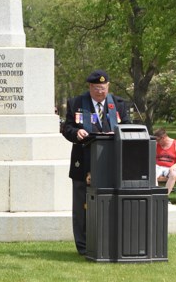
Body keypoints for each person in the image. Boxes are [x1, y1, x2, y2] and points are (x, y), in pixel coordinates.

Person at [60, 69, 133, 256]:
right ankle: (84, 247)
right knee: (81, 207)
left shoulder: (118, 104)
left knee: (111, 204)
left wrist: (118, 132)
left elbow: (127, 125)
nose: (101, 92)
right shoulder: (77, 103)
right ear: (90, 87)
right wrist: (76, 133)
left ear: (108, 86)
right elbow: (66, 128)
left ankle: (109, 244)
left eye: (104, 88)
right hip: (83, 161)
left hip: (111, 161)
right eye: (97, 88)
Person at [153, 127, 176, 198]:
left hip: (170, 167)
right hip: (158, 166)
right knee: (152, 173)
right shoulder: (156, 144)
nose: (157, 142)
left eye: (158, 140)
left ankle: (164, 197)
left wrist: (174, 166)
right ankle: (156, 196)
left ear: (163, 137)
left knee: (173, 174)